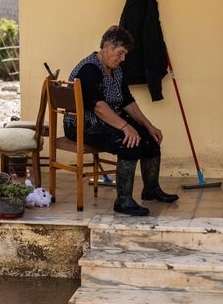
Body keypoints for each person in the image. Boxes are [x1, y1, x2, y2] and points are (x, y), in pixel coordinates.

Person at [64, 25, 178, 216]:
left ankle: (151, 189)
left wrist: (148, 125)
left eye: (125, 54)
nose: (123, 58)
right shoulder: (89, 69)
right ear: (107, 46)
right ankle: (123, 201)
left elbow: (127, 101)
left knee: (149, 138)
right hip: (83, 125)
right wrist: (125, 127)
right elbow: (98, 107)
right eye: (120, 53)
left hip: (105, 121)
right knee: (129, 142)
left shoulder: (116, 71)